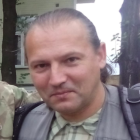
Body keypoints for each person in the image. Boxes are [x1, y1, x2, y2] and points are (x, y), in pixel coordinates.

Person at [15, 8, 131, 140]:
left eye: (71, 60)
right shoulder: (23, 123)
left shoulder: (134, 118)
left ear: (100, 55)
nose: (56, 79)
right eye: (41, 65)